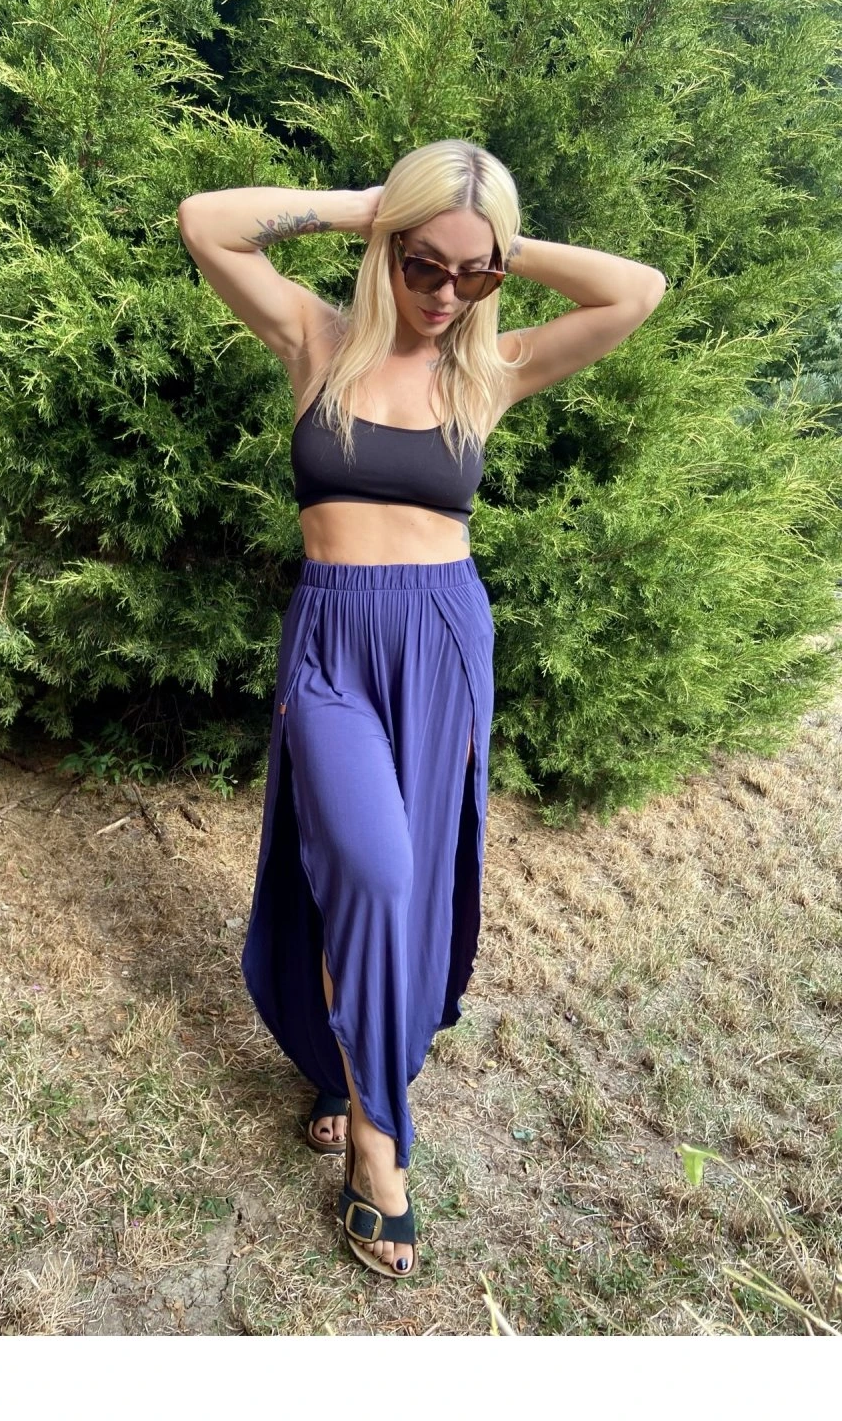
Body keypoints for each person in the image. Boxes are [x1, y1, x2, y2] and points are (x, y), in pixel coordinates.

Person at [177, 139, 666, 1280]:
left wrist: (492, 243)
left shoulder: (485, 373)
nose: (447, 294)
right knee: (370, 869)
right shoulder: (316, 341)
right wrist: (373, 210)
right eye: (423, 266)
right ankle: (379, 1143)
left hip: (442, 638)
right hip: (333, 640)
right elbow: (207, 220)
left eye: (472, 275)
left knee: (413, 880)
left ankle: (351, 1082)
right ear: (386, 251)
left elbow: (634, 291)